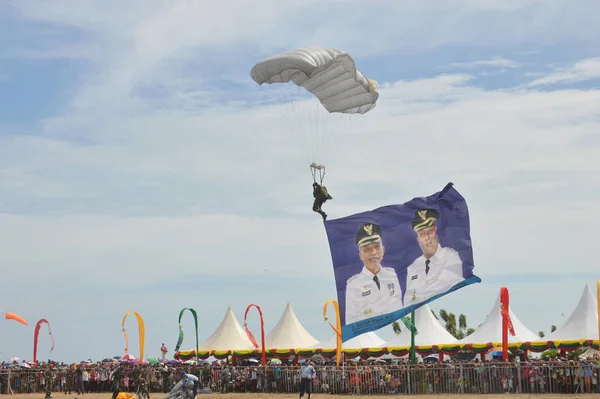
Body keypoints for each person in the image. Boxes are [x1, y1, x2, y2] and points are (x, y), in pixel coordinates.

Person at [344, 222, 403, 324]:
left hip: (395, 332)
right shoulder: (354, 285)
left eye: (377, 247)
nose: (374, 253)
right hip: (371, 337)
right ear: (361, 255)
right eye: (367, 249)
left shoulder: (392, 276)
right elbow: (351, 322)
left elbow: (399, 309)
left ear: (383, 250)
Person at [404, 208, 464, 306]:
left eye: (430, 232)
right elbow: (408, 300)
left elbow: (447, 286)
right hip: (421, 318)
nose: (427, 238)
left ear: (436, 233)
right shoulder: (413, 267)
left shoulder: (451, 257)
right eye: (422, 234)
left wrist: (419, 297)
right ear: (418, 239)